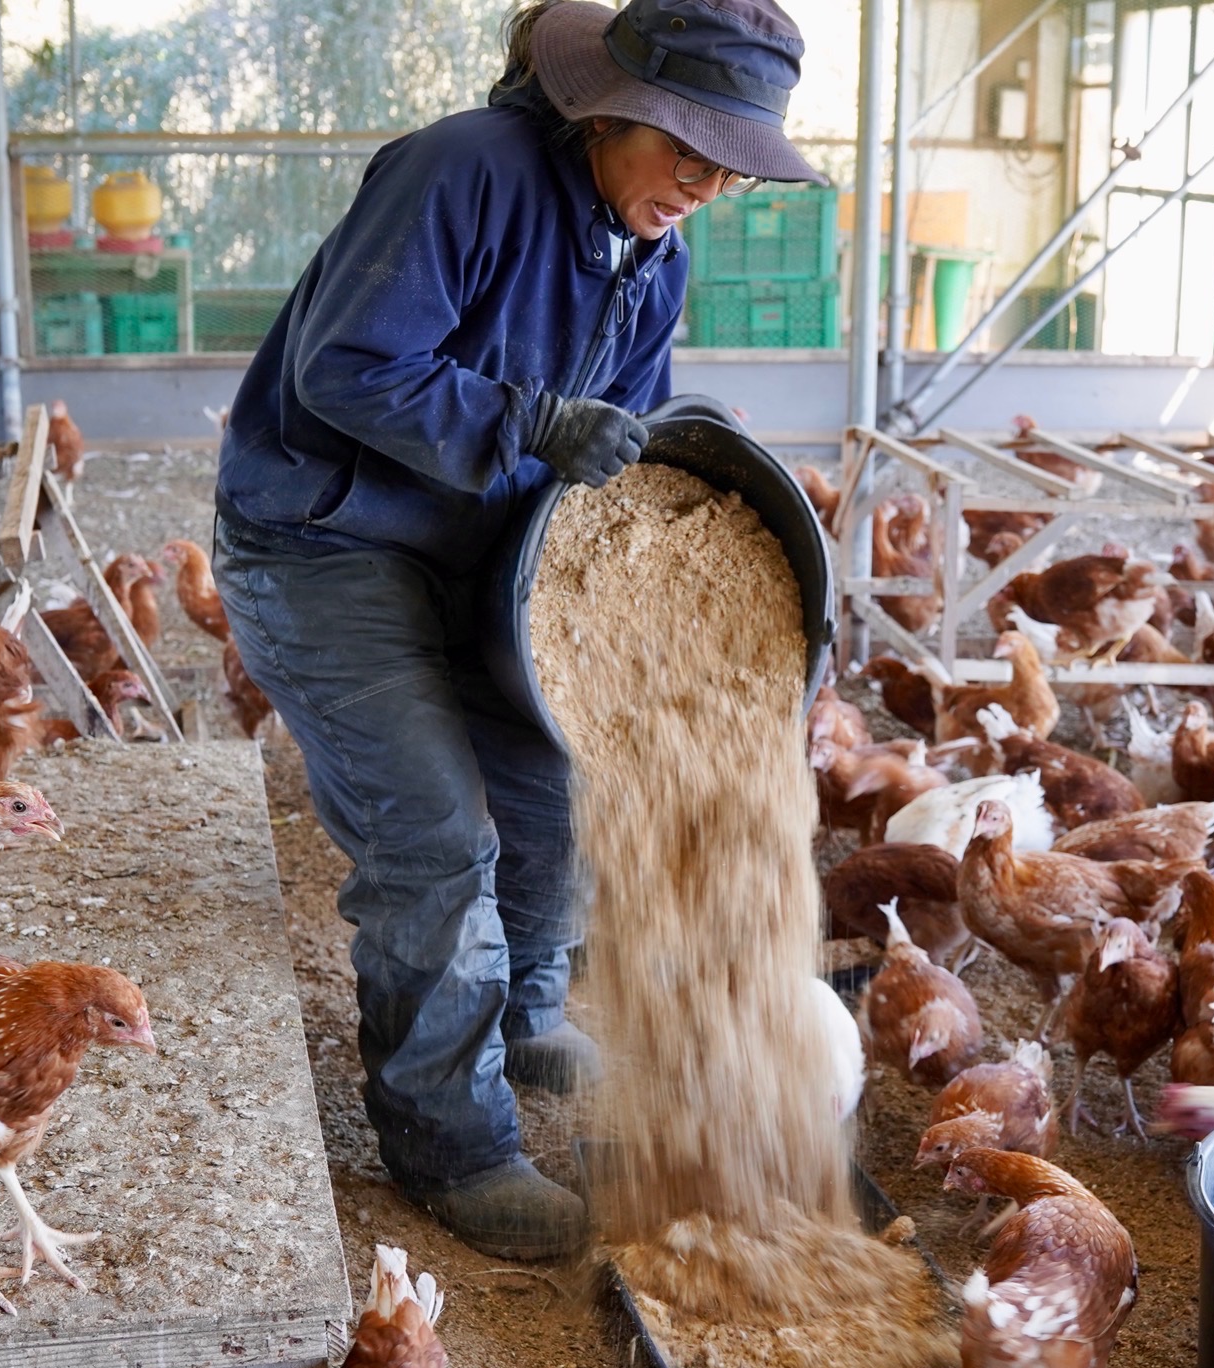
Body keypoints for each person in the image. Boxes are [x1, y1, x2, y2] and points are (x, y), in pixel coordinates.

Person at [210, 0, 825, 1259]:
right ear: (614, 113)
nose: (704, 188)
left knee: (556, 770)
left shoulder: (656, 253)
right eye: (689, 153)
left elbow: (619, 460)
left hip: (482, 546)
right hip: (327, 535)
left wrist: (649, 587)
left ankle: (527, 1003)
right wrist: (533, 422)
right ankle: (454, 1144)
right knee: (436, 830)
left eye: (730, 168)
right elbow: (344, 367)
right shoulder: (463, 169)